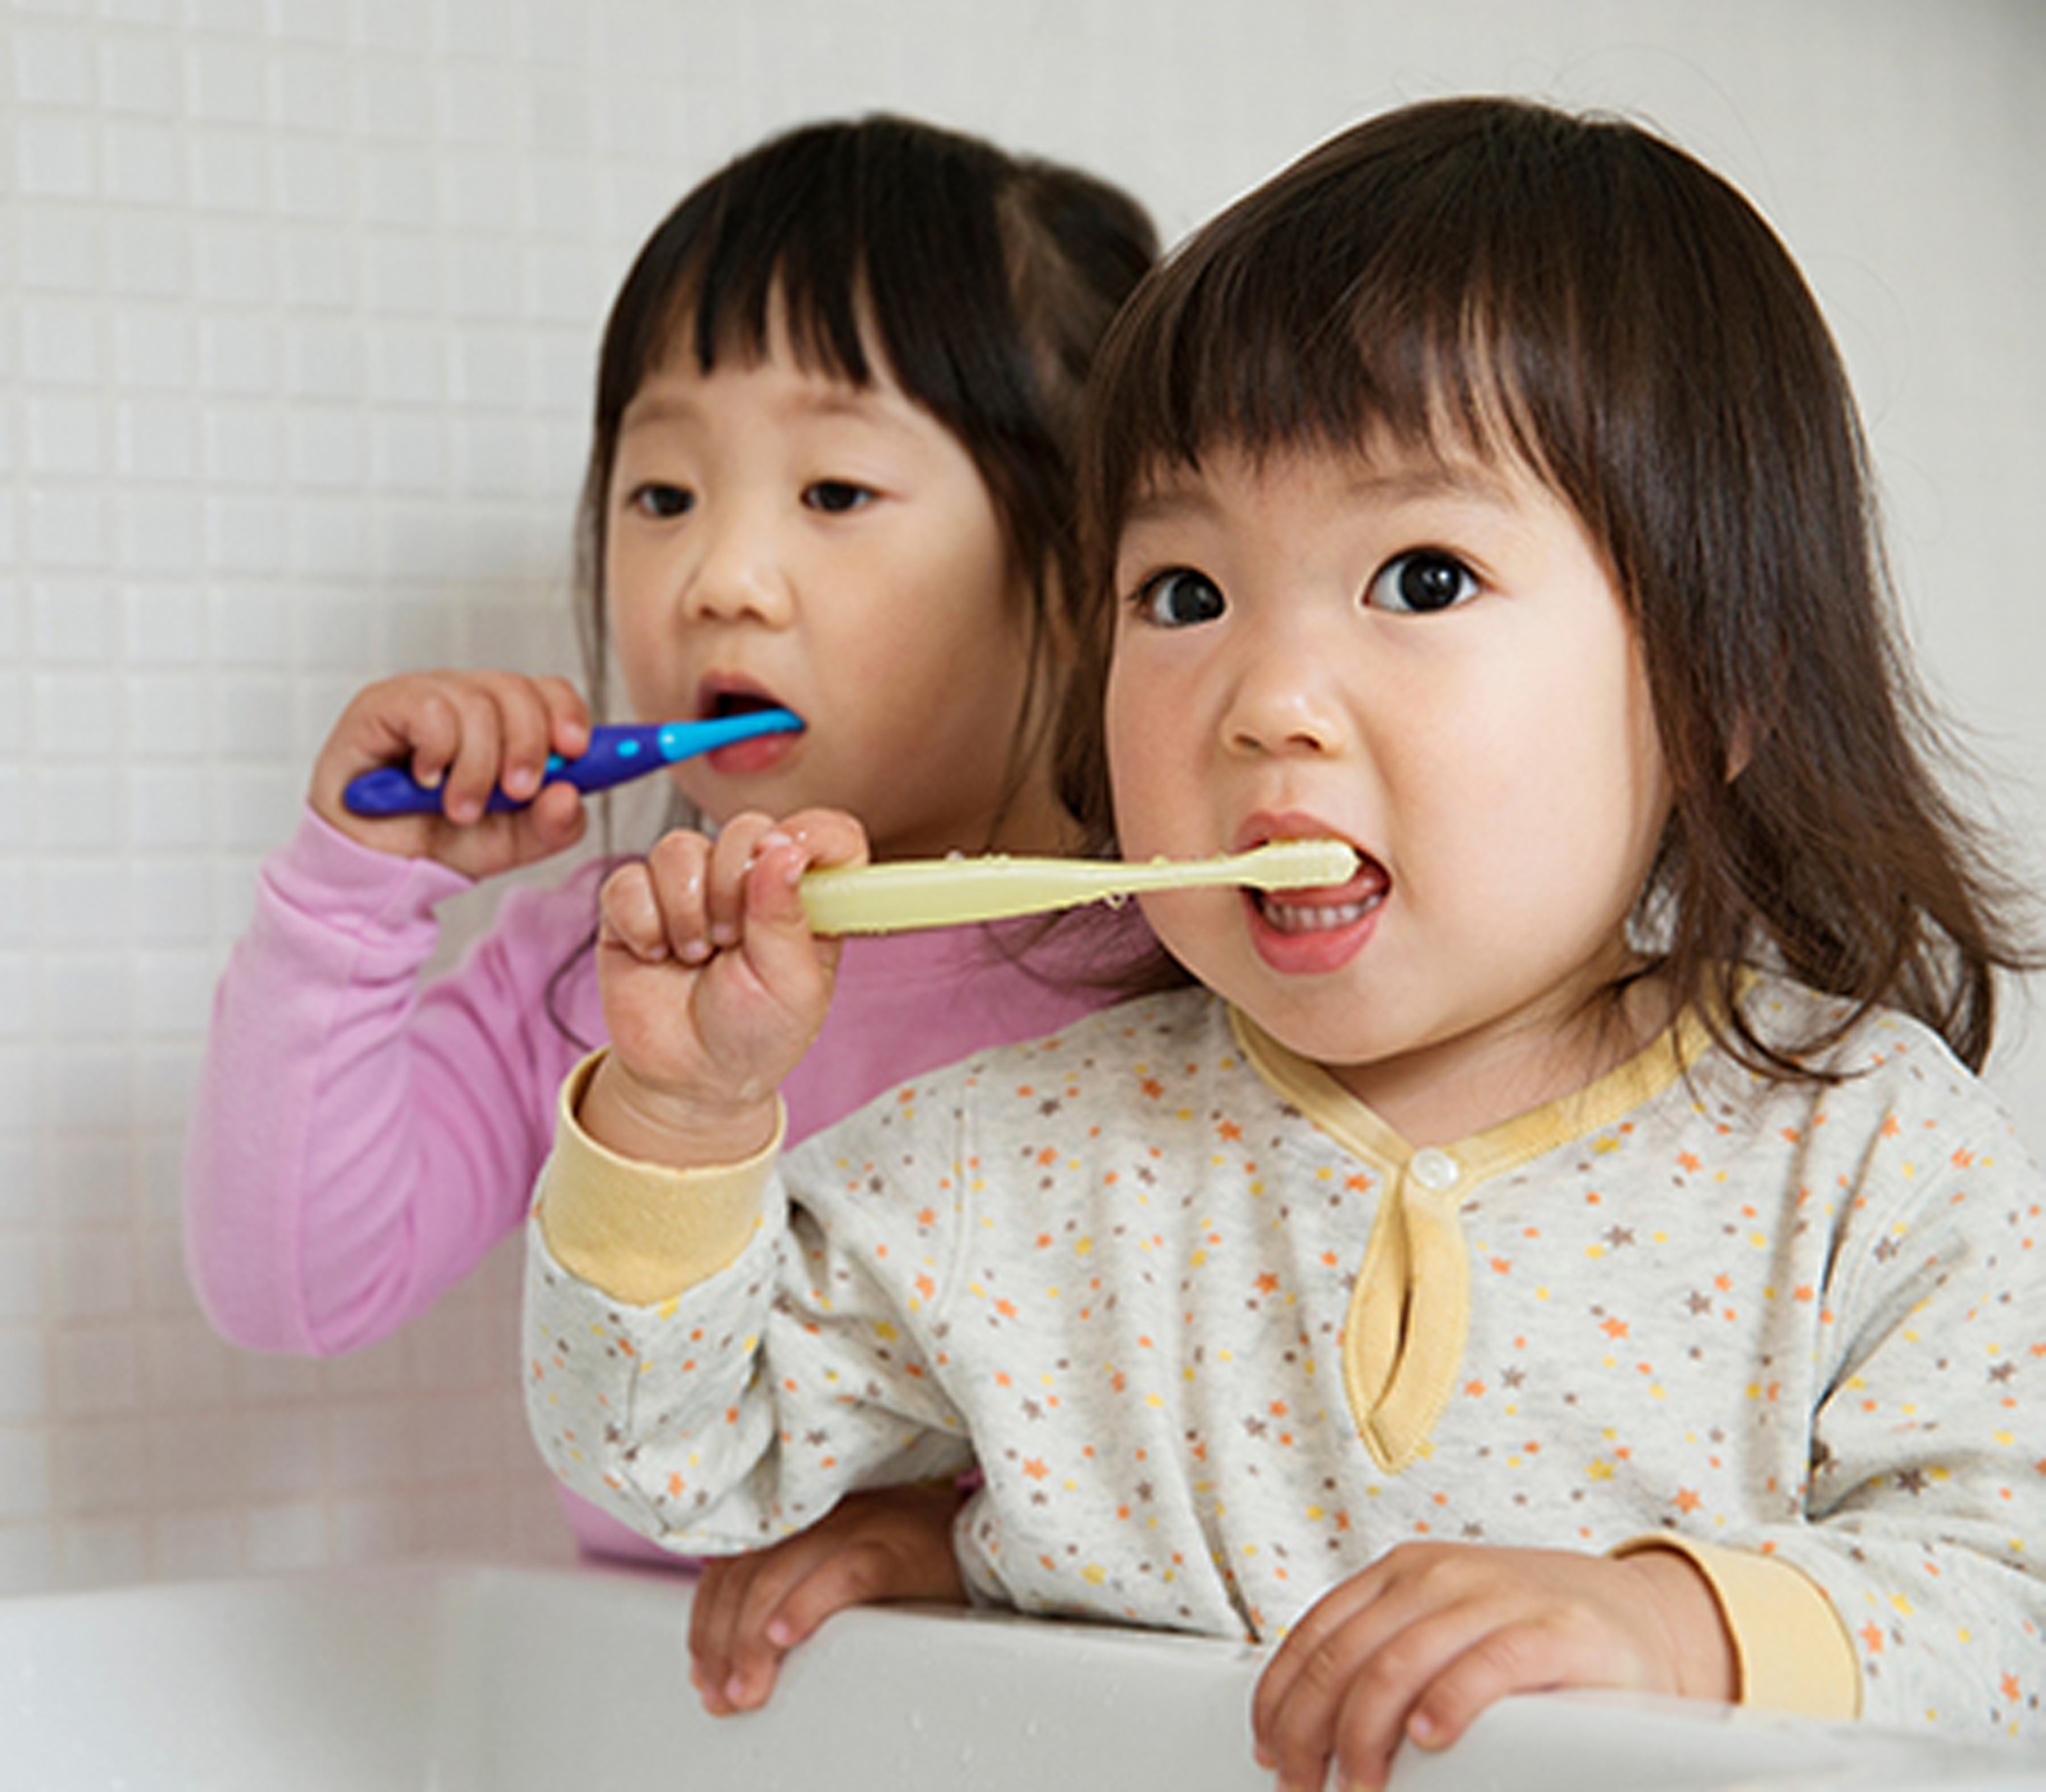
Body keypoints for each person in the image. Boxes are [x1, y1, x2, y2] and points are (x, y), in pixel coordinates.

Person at [520, 95, 2046, 1789]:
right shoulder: (1014, 1159)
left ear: (1718, 680)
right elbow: (665, 1459)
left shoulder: (1869, 1156)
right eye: (1183, 594)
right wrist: (680, 1122)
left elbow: (2015, 1619)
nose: (1269, 702)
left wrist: (1673, 1628)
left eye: (1420, 576)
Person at [183, 113, 1159, 1643]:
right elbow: (291, 1285)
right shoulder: (592, 964)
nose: (720, 575)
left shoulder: (1173, 959)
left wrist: (949, 1536)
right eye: (662, 495)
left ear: (1085, 550)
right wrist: (354, 895)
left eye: (833, 493)